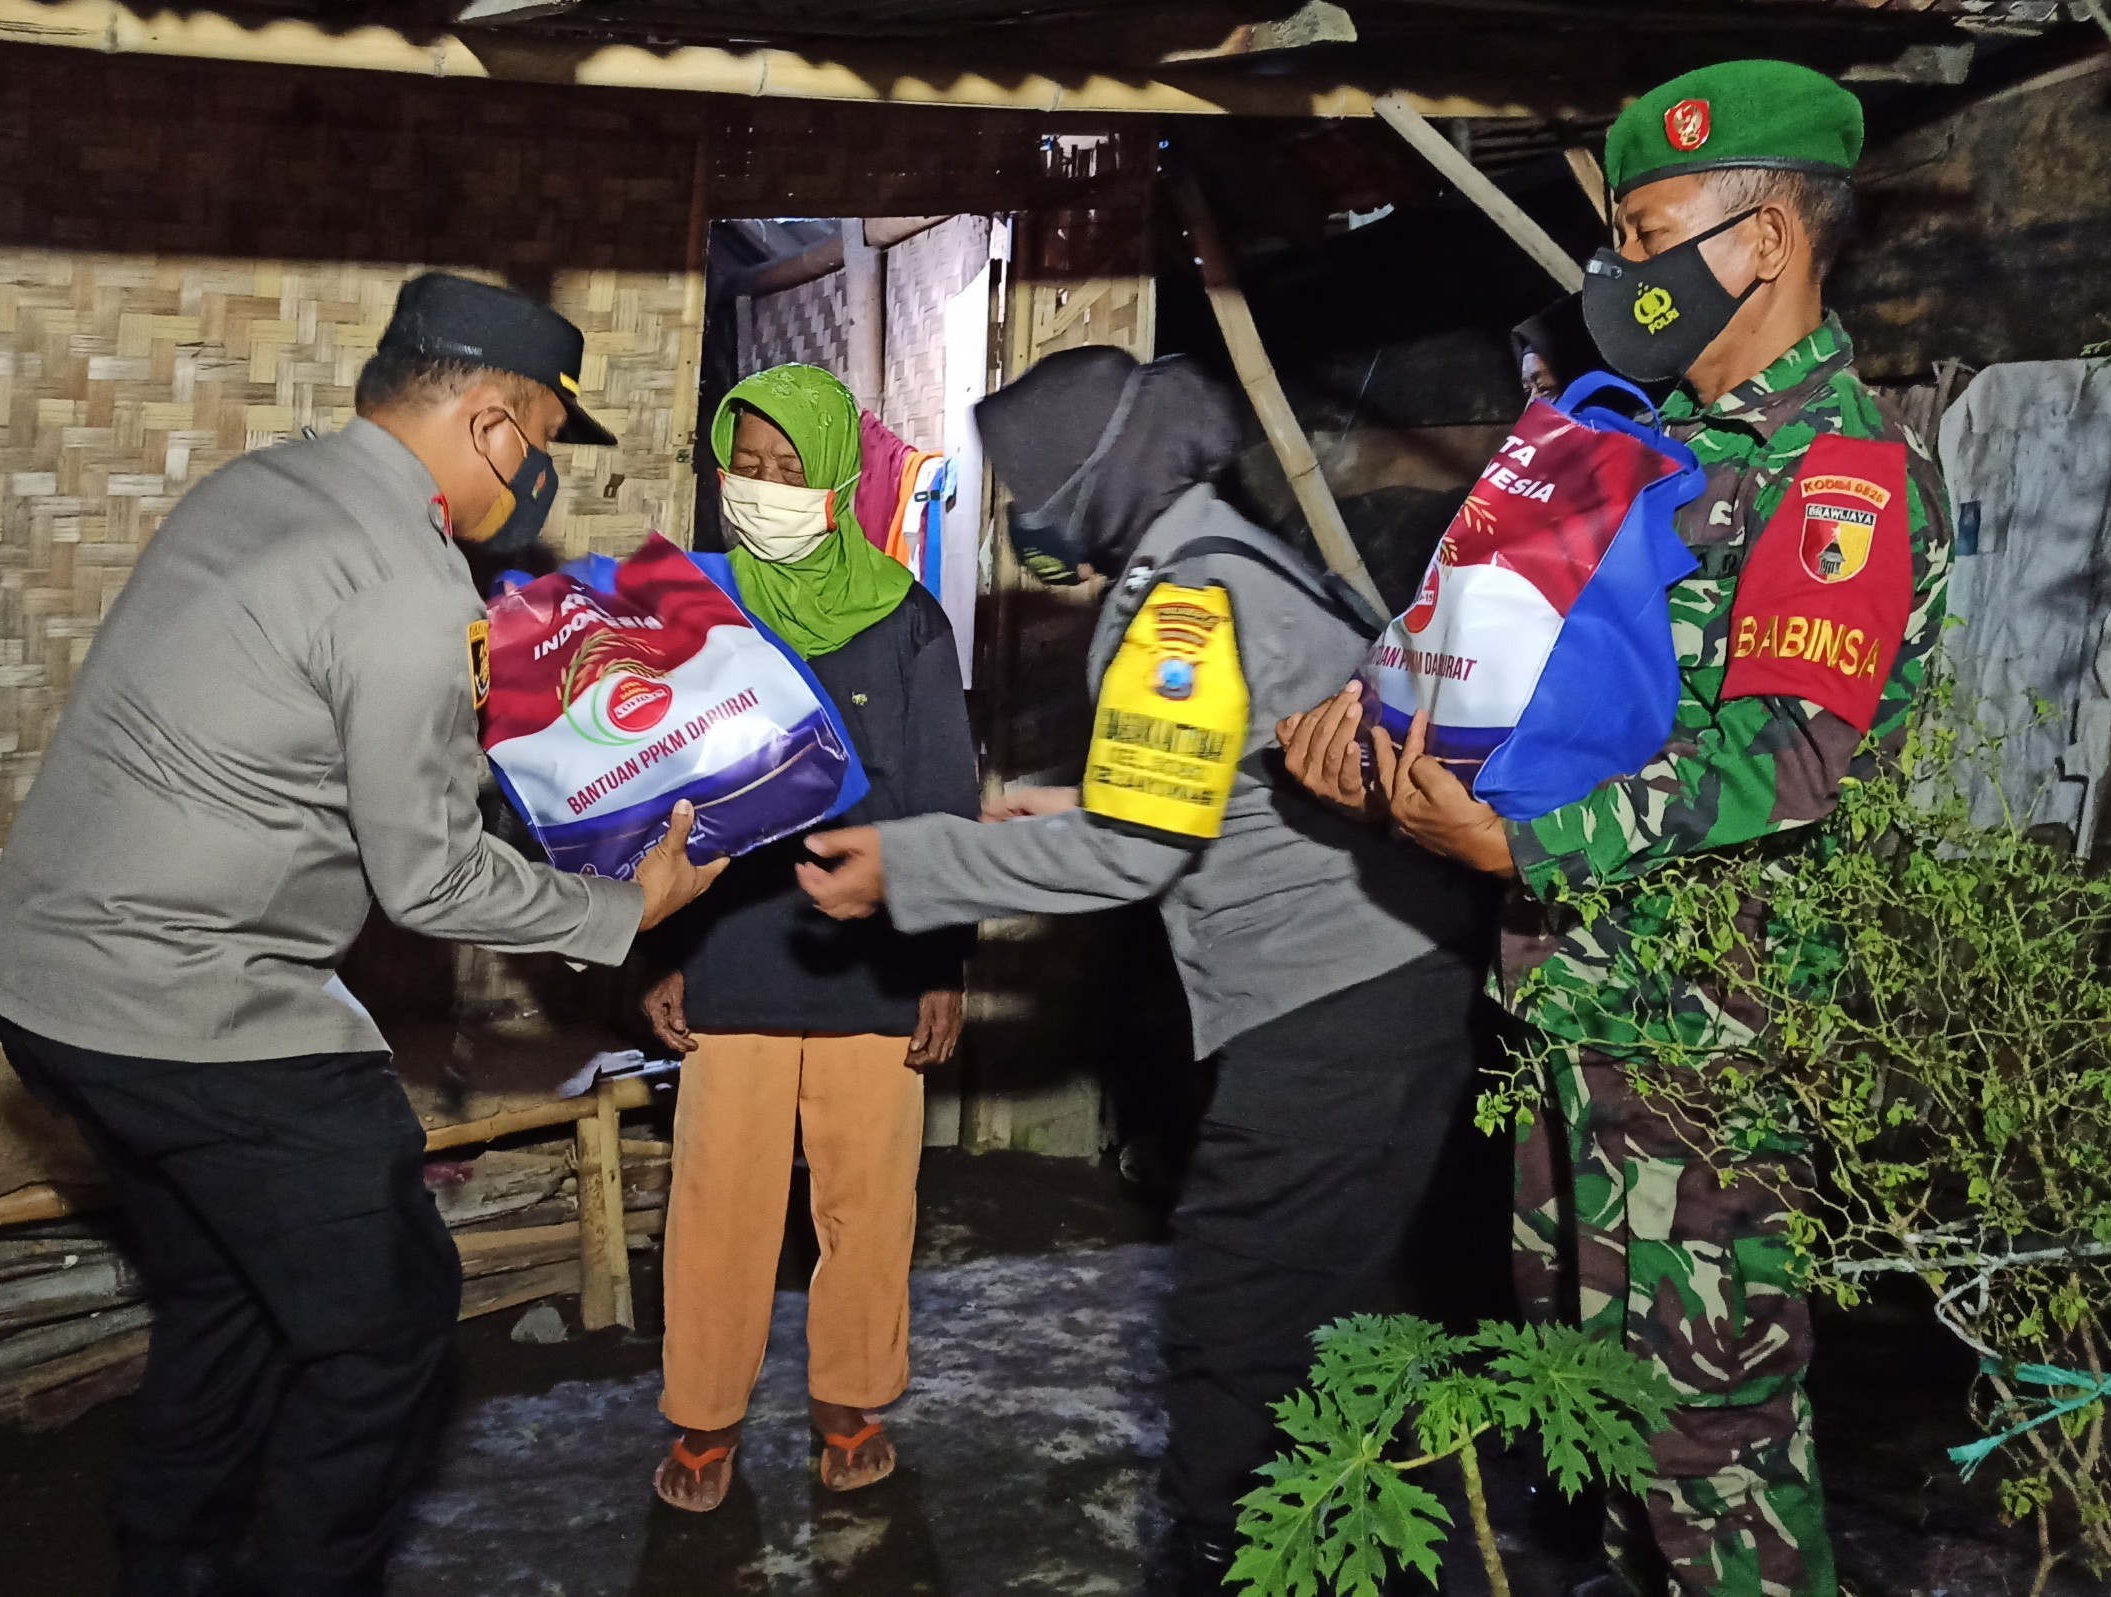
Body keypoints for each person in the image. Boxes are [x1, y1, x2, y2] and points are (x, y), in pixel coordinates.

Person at [1278, 61, 1952, 1597]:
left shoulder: (1835, 474)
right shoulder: (1625, 448)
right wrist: (1375, 739)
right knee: (1588, 1417)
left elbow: (1788, 754)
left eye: (1649, 235)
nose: (1621, 278)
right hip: (1569, 1007)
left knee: (1707, 1447)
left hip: (1707, 1040)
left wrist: (1525, 852)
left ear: (1766, 240)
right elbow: (1502, 674)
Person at [0, 273, 726, 1597]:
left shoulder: (259, 491)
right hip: (197, 1013)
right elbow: (427, 880)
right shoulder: (407, 589)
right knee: (384, 1329)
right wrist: (627, 910)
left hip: (47, 994)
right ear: (492, 424)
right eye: (539, 442)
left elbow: (307, 729)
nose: (533, 477)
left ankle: (166, 1563)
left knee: (223, 1297)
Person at [792, 348, 1492, 1584]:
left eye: (1038, 487)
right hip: (1393, 973)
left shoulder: (1183, 600)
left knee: (1240, 1309)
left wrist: (912, 865)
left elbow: (1130, 852)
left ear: (1100, 477)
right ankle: (1367, 1550)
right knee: (1342, 1301)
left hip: (1332, 1001)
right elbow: (1216, 775)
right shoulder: (1237, 552)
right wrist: (1070, 797)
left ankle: (1232, 1553)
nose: (1030, 520)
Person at [645, 364, 977, 1513]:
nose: (769, 488)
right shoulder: (695, 608)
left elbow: (944, 798)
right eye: (753, 465)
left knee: (868, 1204)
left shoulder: (905, 616)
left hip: (873, 962)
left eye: (794, 470)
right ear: (724, 467)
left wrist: (940, 962)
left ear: (835, 480)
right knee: (716, 1206)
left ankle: (849, 1404)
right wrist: (661, 953)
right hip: (730, 950)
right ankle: (703, 1419)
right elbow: (655, 799)